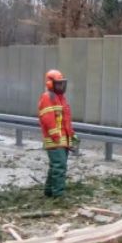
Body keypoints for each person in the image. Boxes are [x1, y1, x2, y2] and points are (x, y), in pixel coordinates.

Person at [37, 69, 76, 198]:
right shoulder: (48, 97)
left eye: (62, 83)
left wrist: (71, 135)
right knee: (60, 167)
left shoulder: (60, 98)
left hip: (62, 139)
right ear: (50, 83)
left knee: (55, 166)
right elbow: (48, 119)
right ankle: (58, 195)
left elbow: (65, 120)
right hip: (55, 140)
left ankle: (49, 192)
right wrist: (56, 136)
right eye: (58, 84)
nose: (61, 86)